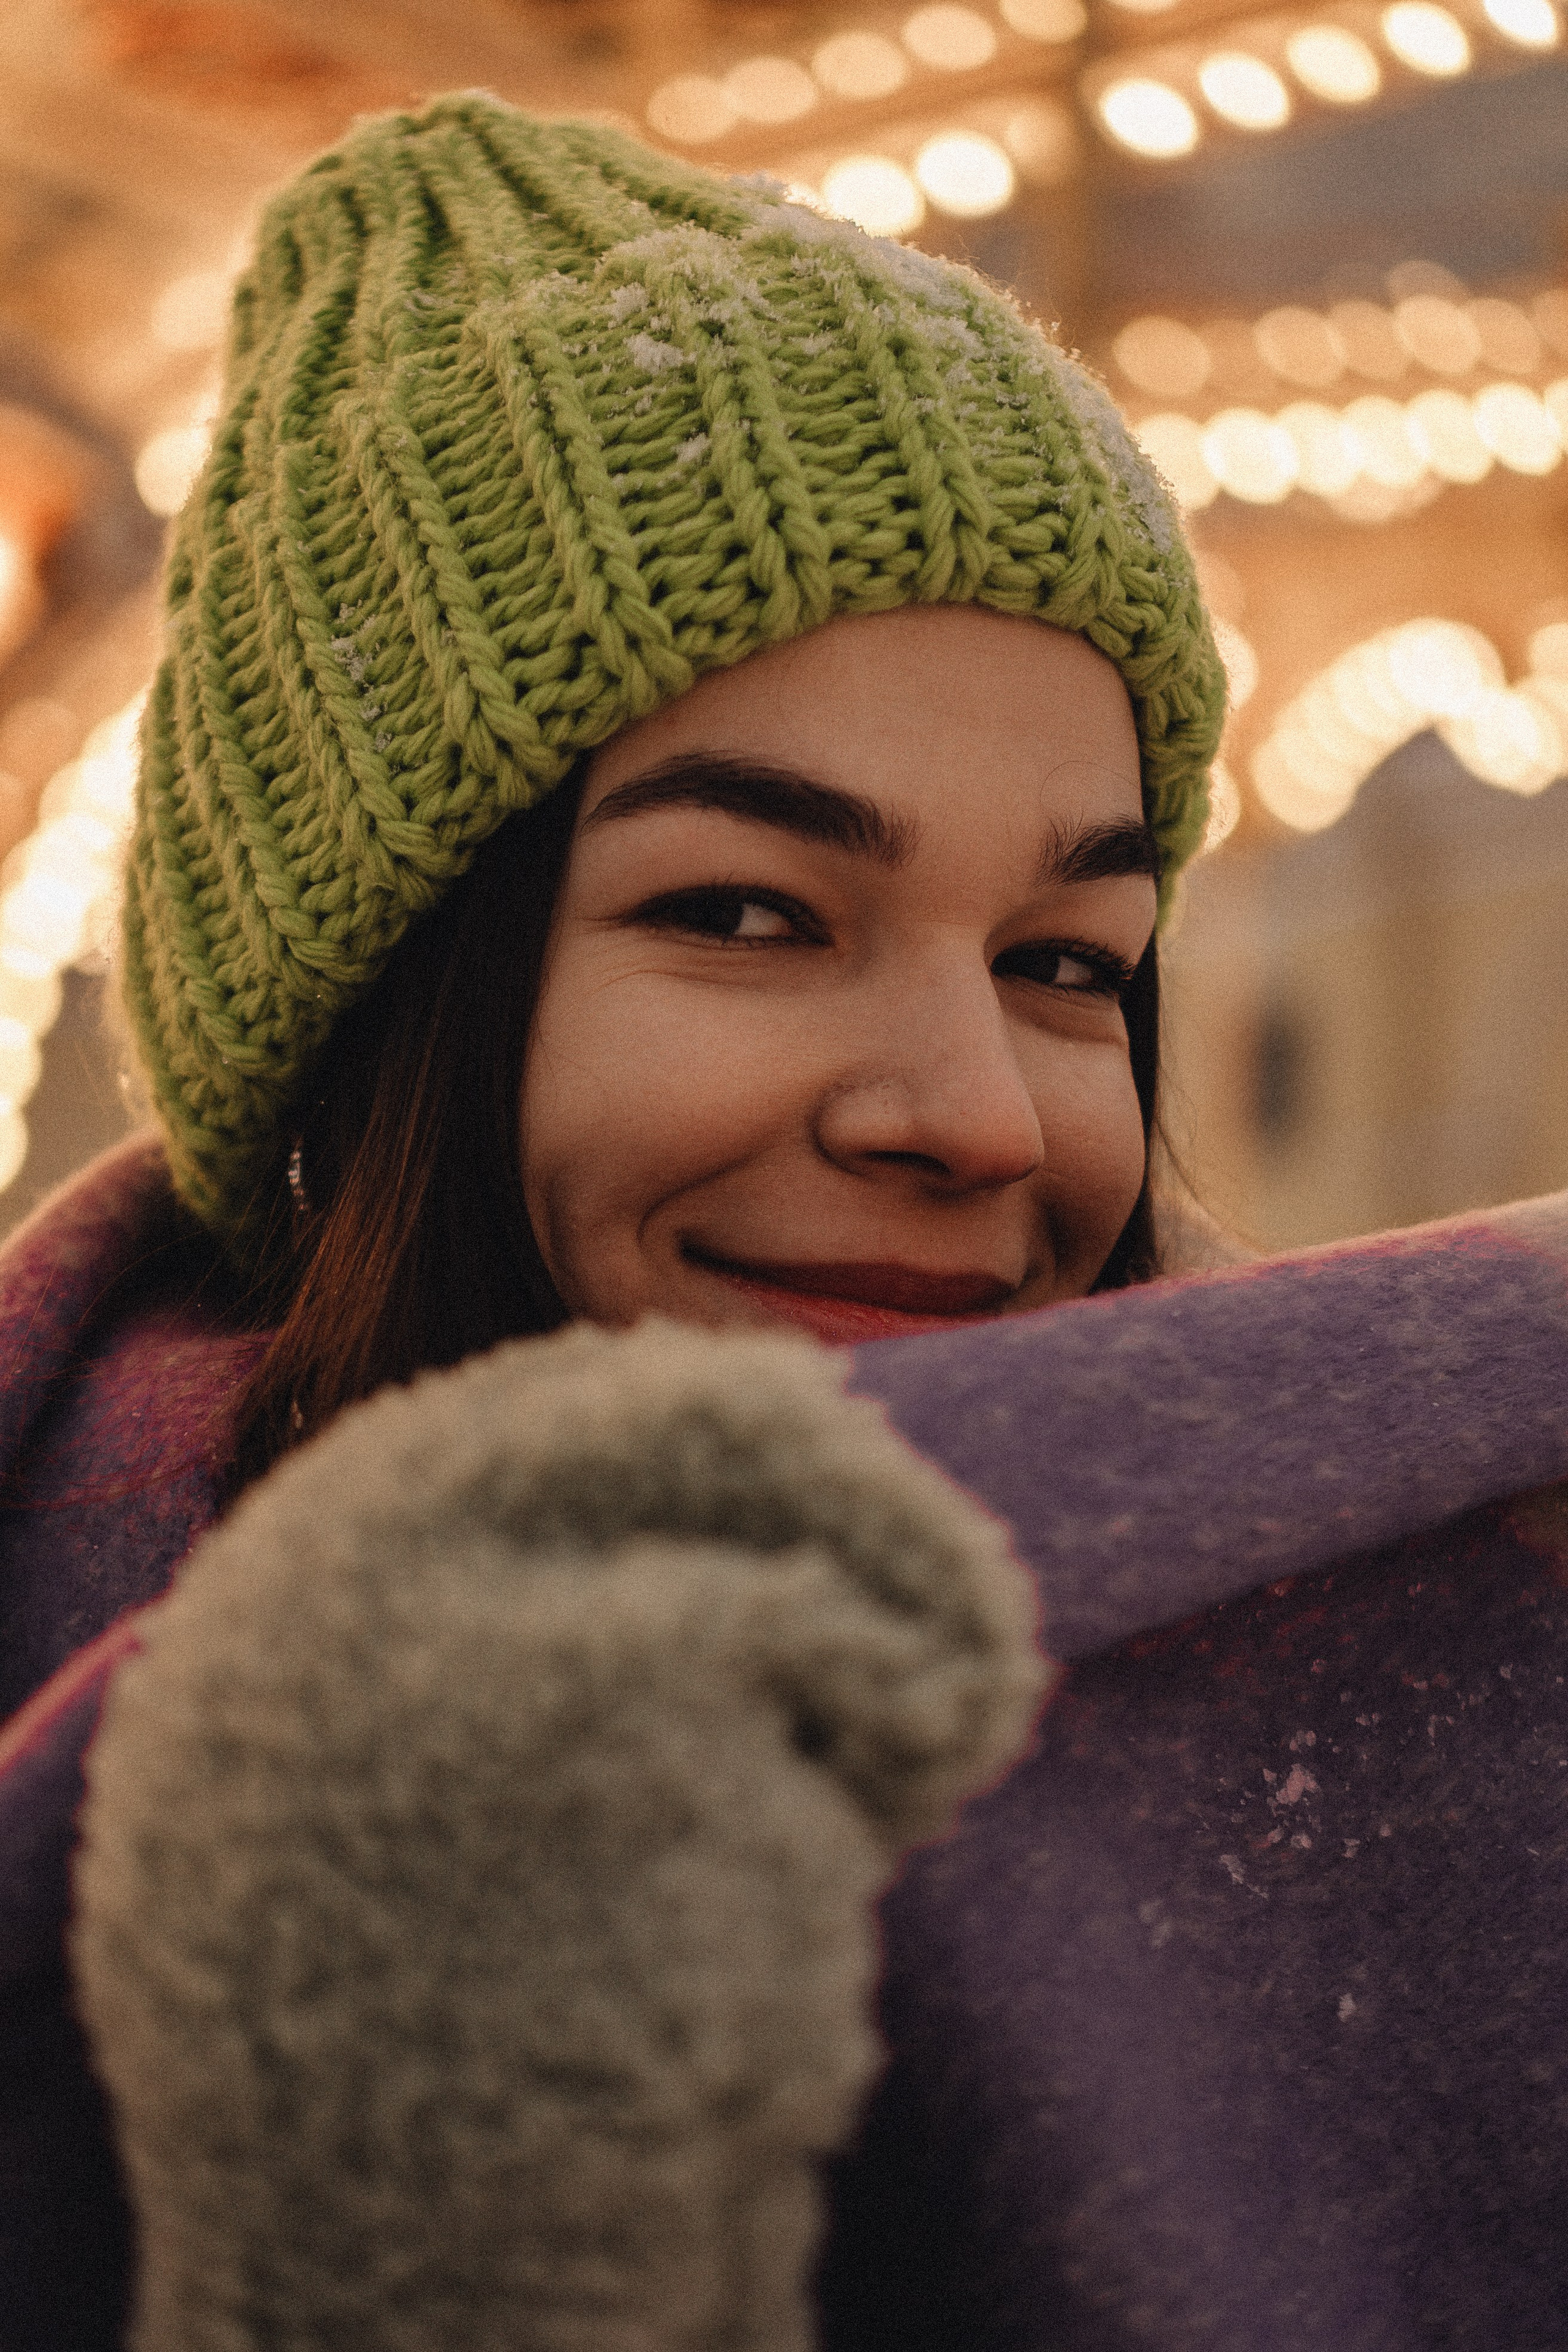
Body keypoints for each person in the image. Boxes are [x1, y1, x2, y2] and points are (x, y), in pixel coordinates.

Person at [4, 92, 1568, 2351]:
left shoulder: (1401, 1697)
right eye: (751, 910)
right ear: (385, 1010)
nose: (982, 1122)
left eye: (1067, 965)